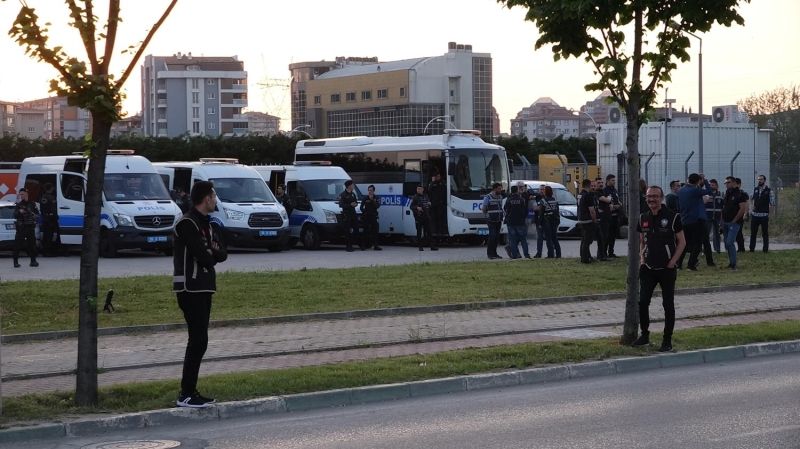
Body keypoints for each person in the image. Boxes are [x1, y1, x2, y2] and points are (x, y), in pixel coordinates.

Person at [173, 181, 227, 408]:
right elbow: (204, 257)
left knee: (200, 340)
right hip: (190, 287)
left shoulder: (208, 223)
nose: (215, 201)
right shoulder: (187, 223)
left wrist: (210, 250)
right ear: (206, 198)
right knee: (198, 340)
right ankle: (186, 393)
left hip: (204, 286)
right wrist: (210, 251)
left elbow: (222, 253)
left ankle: (190, 391)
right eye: (214, 197)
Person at [632, 185, 686, 352]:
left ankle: (667, 340)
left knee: (667, 304)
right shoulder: (643, 217)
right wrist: (642, 259)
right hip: (648, 268)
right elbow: (642, 240)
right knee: (642, 302)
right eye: (649, 196)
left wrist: (673, 262)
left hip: (667, 269)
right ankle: (645, 335)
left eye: (655, 196)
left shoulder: (672, 217)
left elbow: (682, 242)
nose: (652, 199)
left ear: (661, 198)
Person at [677, 173, 713, 270]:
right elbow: (710, 191)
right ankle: (691, 264)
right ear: (698, 181)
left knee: (684, 243)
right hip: (696, 220)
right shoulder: (695, 190)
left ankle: (678, 264)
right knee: (697, 243)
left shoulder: (681, 190)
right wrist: (705, 180)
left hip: (684, 219)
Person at [721, 176, 748, 271]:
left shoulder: (740, 194)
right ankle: (731, 262)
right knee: (727, 244)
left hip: (734, 223)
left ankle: (733, 264)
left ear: (733, 183)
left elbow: (742, 208)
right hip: (725, 222)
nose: (726, 184)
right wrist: (722, 221)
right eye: (726, 183)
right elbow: (724, 208)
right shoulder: (727, 193)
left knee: (730, 242)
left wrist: (734, 220)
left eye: (728, 182)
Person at [13, 188, 40, 268]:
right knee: (18, 245)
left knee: (32, 245)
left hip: (30, 227)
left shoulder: (32, 204)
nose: (21, 196)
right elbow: (15, 215)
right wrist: (19, 212)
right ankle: (15, 262)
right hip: (21, 227)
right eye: (20, 194)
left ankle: (33, 261)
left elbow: (37, 214)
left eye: (22, 194)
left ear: (26, 194)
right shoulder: (19, 204)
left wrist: (34, 215)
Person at [503, 185, 529, 259]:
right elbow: (525, 210)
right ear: (517, 190)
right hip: (520, 222)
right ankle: (526, 255)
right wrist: (523, 218)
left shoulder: (509, 200)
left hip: (511, 222)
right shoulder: (521, 199)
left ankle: (514, 255)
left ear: (511, 191)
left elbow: (505, 209)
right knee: (523, 240)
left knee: (512, 240)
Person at [749, 174, 774, 253]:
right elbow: (750, 198)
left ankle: (765, 249)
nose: (759, 181)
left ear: (764, 180)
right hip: (755, 215)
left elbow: (772, 203)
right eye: (758, 179)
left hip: (764, 215)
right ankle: (751, 249)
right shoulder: (755, 189)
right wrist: (751, 207)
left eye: (761, 179)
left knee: (765, 233)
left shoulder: (769, 190)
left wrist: (770, 214)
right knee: (753, 233)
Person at [410, 184, 437, 251]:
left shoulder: (426, 196)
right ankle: (420, 247)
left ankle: (432, 246)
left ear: (423, 189)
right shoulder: (415, 197)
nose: (418, 190)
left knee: (429, 232)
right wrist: (417, 207)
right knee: (419, 232)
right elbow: (411, 206)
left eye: (420, 189)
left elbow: (428, 204)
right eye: (417, 189)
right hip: (419, 217)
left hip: (426, 216)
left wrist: (429, 204)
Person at [481, 182, 504, 260]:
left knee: (496, 238)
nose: (500, 190)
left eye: (500, 188)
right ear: (494, 189)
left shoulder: (500, 196)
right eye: (499, 189)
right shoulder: (488, 197)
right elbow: (484, 209)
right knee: (492, 237)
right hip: (491, 220)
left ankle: (495, 253)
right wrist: (487, 216)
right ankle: (490, 254)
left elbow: (500, 207)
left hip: (498, 220)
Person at [577, 179, 597, 264]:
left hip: (581, 219)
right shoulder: (588, 195)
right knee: (587, 241)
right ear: (589, 185)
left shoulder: (580, 195)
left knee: (584, 240)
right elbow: (592, 210)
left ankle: (583, 256)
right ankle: (585, 259)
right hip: (588, 220)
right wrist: (594, 220)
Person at [539, 185, 561, 258]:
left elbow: (541, 213)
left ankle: (550, 255)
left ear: (545, 192)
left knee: (548, 239)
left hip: (547, 221)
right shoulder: (555, 200)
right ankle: (558, 254)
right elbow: (557, 211)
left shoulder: (543, 201)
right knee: (554, 238)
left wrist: (540, 223)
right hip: (555, 221)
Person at [603, 174, 622, 258]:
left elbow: (617, 200)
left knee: (613, 235)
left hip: (616, 216)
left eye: (614, 180)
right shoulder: (605, 191)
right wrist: (614, 206)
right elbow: (605, 203)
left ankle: (611, 252)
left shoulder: (614, 190)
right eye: (612, 180)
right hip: (609, 216)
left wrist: (619, 204)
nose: (614, 182)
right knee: (607, 235)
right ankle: (604, 252)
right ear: (608, 181)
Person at [338, 180, 361, 252]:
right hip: (347, 214)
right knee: (347, 230)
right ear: (349, 186)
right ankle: (348, 246)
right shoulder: (343, 195)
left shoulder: (353, 194)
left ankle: (358, 243)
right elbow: (341, 205)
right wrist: (350, 205)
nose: (353, 186)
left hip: (353, 214)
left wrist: (355, 204)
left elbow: (356, 202)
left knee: (356, 229)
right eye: (352, 185)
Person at [39, 182, 60, 256]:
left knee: (46, 235)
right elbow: (53, 209)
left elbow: (42, 209)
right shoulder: (51, 197)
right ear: (51, 188)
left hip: (45, 218)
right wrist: (56, 217)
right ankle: (48, 252)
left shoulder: (43, 197)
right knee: (50, 236)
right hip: (51, 219)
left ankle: (45, 251)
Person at [359, 184, 382, 250]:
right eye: (369, 190)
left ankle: (376, 246)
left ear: (373, 191)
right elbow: (361, 207)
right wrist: (365, 212)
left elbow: (377, 206)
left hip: (374, 216)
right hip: (366, 217)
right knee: (365, 231)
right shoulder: (365, 198)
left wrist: (372, 200)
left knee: (375, 231)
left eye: (371, 190)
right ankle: (363, 246)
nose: (370, 191)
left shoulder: (376, 198)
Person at [704, 179, 724, 253]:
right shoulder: (706, 194)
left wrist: (722, 219)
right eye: (710, 185)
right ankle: (706, 249)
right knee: (706, 234)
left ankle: (717, 249)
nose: (712, 186)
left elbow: (722, 207)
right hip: (708, 217)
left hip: (717, 217)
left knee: (717, 234)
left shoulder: (720, 195)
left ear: (717, 186)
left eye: (713, 185)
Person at [594, 178, 611, 261]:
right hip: (601, 218)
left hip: (606, 217)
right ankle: (600, 255)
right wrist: (608, 198)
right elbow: (608, 200)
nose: (601, 184)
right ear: (595, 184)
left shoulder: (603, 192)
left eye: (601, 182)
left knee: (606, 237)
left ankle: (604, 254)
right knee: (602, 237)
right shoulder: (596, 193)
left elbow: (610, 201)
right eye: (598, 183)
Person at [428, 172, 447, 246]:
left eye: (439, 176)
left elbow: (445, 191)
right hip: (434, 205)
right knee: (434, 219)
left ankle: (440, 233)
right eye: (437, 176)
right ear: (435, 177)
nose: (439, 177)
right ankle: (434, 233)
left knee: (440, 219)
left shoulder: (442, 183)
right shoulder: (432, 184)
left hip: (441, 205)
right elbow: (429, 191)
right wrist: (432, 182)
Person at [735, 177, 748, 252]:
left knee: (738, 231)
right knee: (736, 232)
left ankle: (741, 248)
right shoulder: (731, 193)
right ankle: (740, 247)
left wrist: (745, 213)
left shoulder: (743, 194)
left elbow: (746, 204)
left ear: (739, 185)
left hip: (740, 215)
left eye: (736, 184)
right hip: (733, 215)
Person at [532, 185, 545, 258]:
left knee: (549, 238)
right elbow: (534, 208)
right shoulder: (537, 197)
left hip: (547, 220)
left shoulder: (548, 197)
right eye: (541, 189)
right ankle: (539, 253)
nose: (542, 191)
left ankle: (551, 253)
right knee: (540, 238)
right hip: (539, 220)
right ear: (538, 190)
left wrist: (540, 207)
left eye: (543, 189)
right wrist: (542, 207)